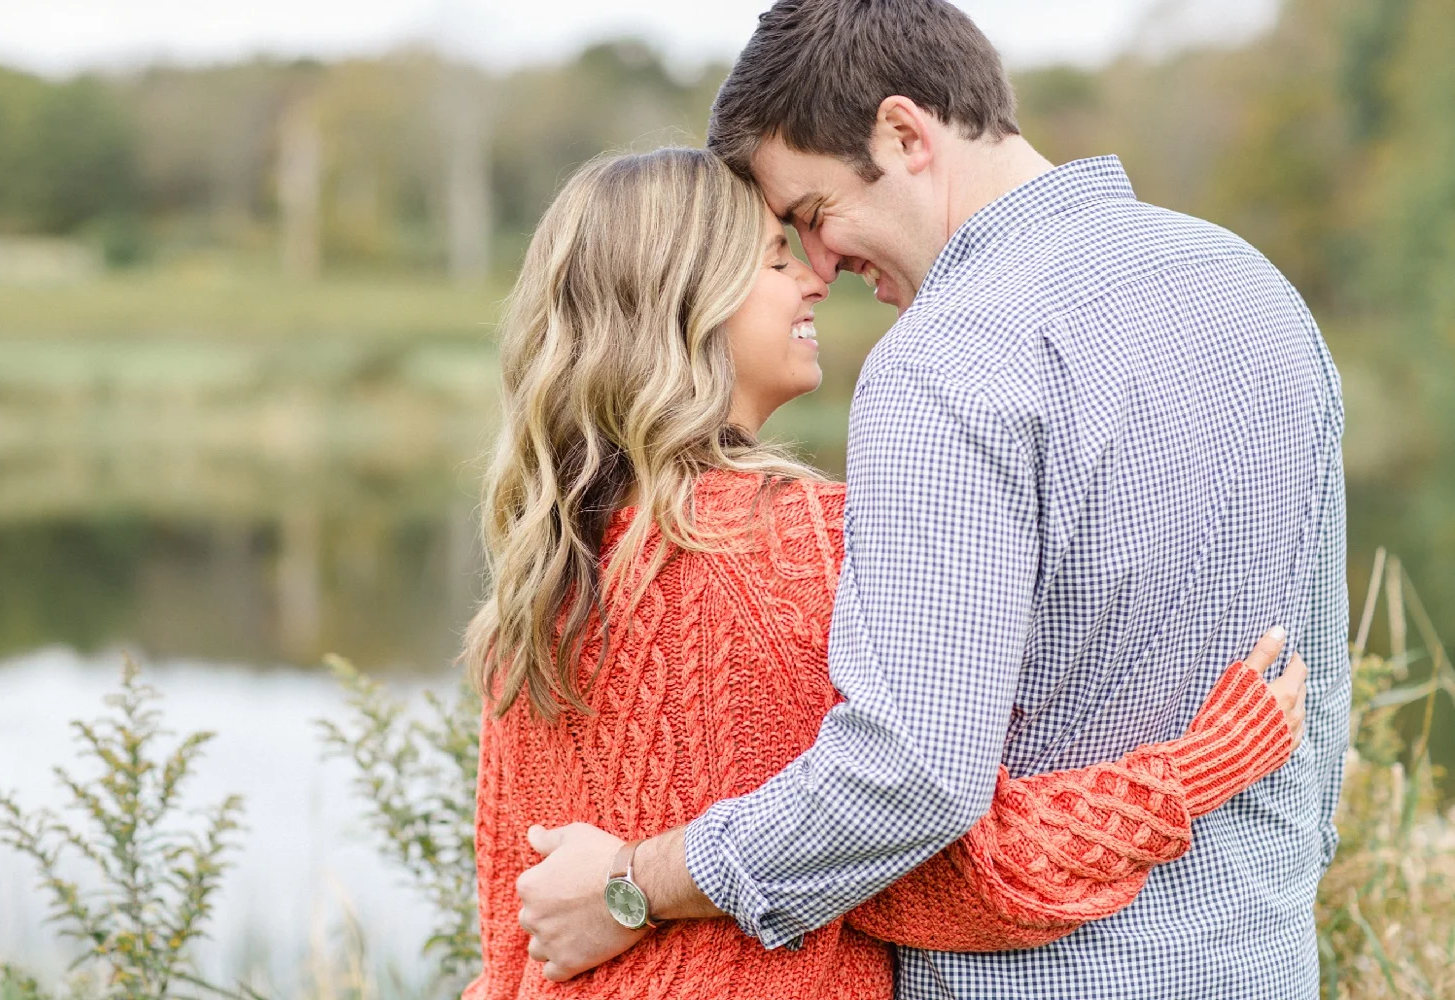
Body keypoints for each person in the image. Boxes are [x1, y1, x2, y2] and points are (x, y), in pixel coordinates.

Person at [512, 3, 1352, 998]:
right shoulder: (1256, 290)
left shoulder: (949, 360)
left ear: (906, 136)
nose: (822, 266)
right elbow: (1317, 699)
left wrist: (632, 880)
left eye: (815, 216)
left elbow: (911, 771)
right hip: (1262, 961)